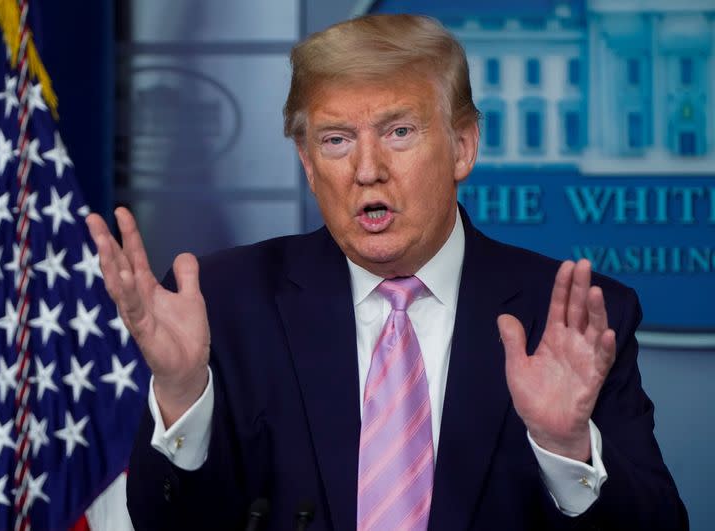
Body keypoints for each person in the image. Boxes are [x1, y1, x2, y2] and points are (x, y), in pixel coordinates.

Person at [86, 14, 687, 531]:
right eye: (337, 139)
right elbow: (172, 523)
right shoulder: (227, 303)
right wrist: (184, 395)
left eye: (399, 132)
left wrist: (566, 448)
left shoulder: (568, 317)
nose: (367, 169)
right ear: (307, 162)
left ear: (462, 147)